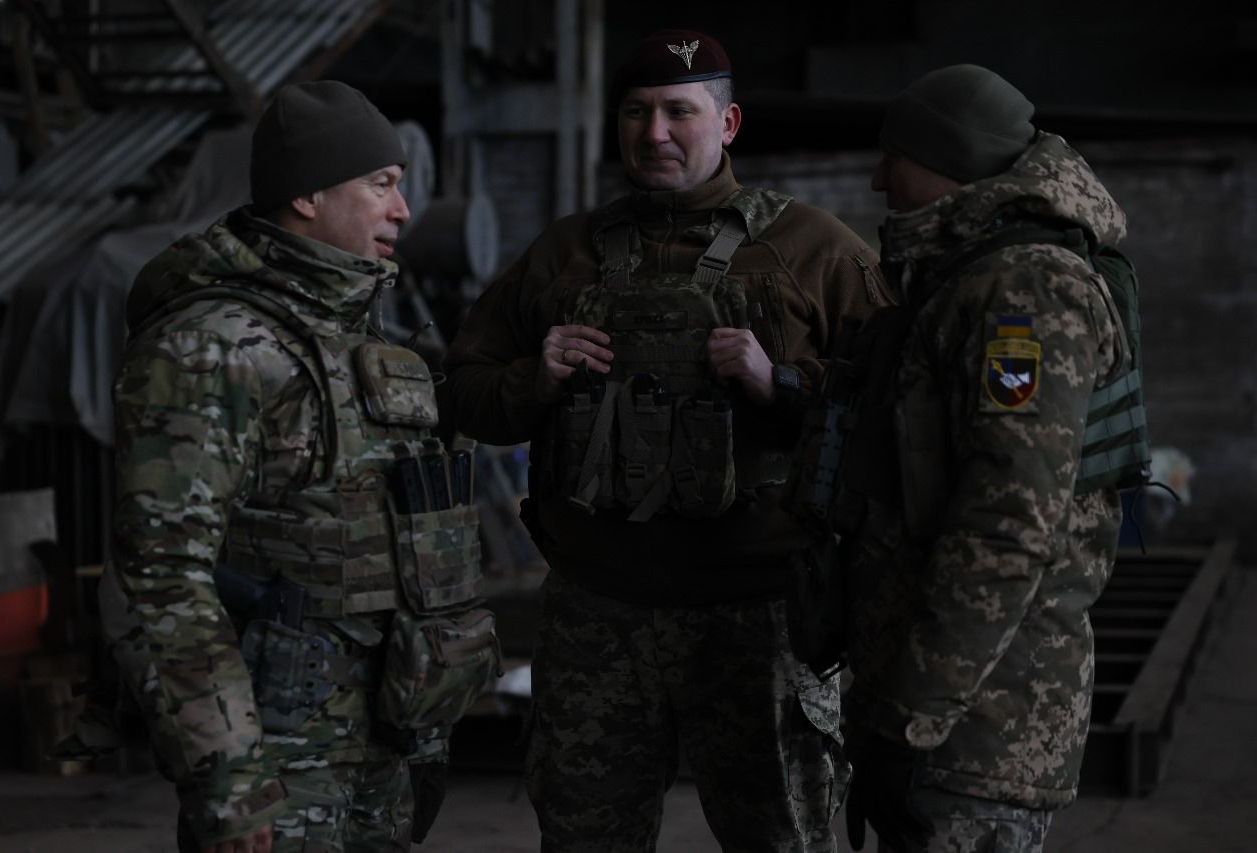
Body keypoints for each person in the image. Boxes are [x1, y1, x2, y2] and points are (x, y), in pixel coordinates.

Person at [444, 28, 890, 852]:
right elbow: (463, 391)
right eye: (636, 112)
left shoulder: (814, 249)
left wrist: (782, 384)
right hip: (597, 609)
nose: (654, 133)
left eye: (679, 112)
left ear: (728, 124)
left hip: (759, 616)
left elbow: (901, 408)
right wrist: (533, 380)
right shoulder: (563, 254)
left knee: (781, 839)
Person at [104, 80, 498, 853]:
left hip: (384, 743)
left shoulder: (356, 336)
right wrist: (228, 775)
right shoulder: (210, 345)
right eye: (381, 184)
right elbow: (161, 576)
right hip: (280, 760)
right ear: (309, 196)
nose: (403, 209)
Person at [840, 64, 1133, 851]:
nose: (878, 179)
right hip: (951, 717)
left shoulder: (1025, 288)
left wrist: (910, 724)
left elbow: (1007, 525)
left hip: (975, 730)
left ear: (949, 162)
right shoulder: (974, 273)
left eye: (894, 158)